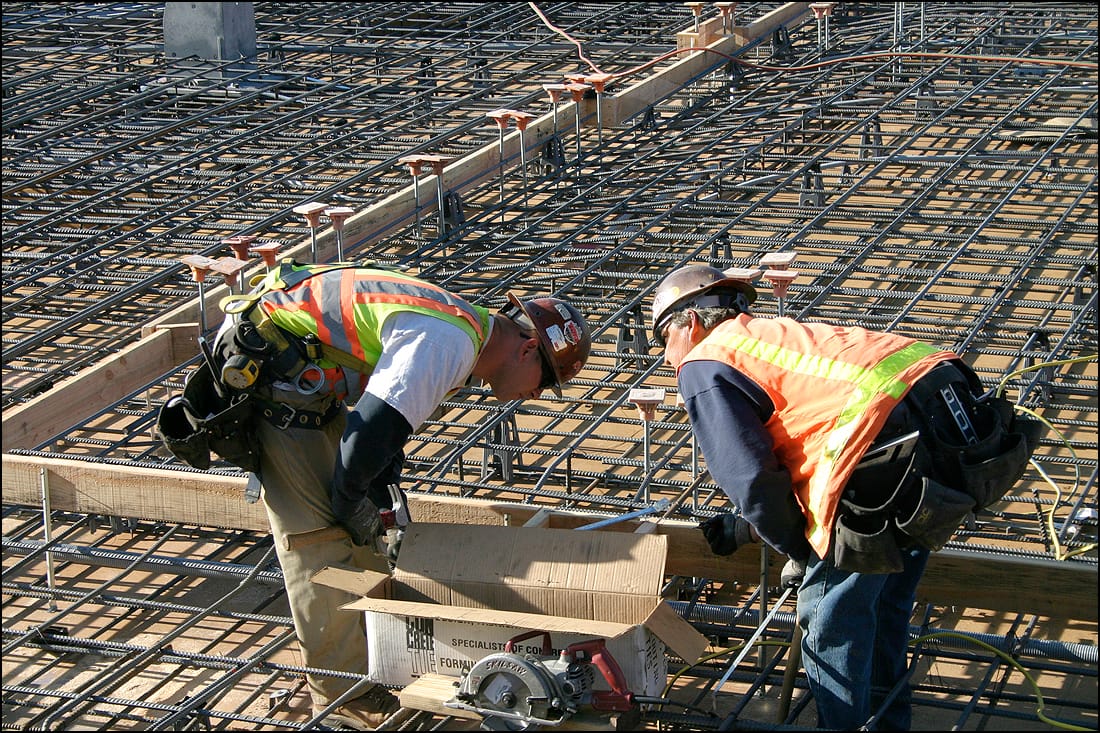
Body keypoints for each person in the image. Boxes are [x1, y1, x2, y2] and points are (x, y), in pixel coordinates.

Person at [162, 259, 591, 729]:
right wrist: (349, 505)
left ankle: (373, 663)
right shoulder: (444, 342)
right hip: (271, 387)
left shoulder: (463, 330)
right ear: (529, 348)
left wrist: (375, 486)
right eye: (546, 384)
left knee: (358, 538)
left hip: (302, 377)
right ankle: (342, 696)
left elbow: (381, 418)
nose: (535, 396)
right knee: (320, 545)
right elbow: (365, 433)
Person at [649, 263, 1033, 730]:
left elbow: (750, 478)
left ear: (689, 323)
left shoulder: (707, 359)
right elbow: (803, 438)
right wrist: (753, 527)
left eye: (663, 342)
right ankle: (889, 723)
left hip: (885, 458)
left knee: (833, 624)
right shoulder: (776, 337)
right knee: (883, 602)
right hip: (954, 423)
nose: (667, 359)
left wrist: (801, 547)